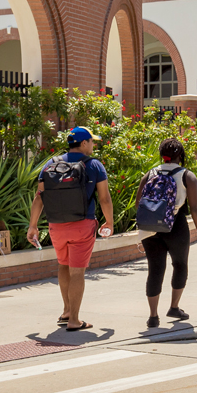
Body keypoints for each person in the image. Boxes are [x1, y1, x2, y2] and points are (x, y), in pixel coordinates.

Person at [27, 127, 113, 332]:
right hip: (82, 225)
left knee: (63, 266)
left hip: (56, 225)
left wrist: (32, 226)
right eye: (92, 142)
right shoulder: (94, 165)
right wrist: (109, 222)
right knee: (77, 272)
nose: (93, 145)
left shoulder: (51, 164)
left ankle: (66, 311)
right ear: (84, 143)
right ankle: (74, 319)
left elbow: (39, 197)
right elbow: (104, 198)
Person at [137, 138, 197, 328]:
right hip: (176, 227)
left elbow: (138, 204)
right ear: (180, 155)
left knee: (155, 269)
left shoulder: (150, 174)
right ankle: (174, 307)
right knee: (180, 265)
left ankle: (153, 316)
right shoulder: (187, 176)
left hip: (150, 228)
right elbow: (195, 208)